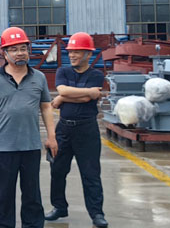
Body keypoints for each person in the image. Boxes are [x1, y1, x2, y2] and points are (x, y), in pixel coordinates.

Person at [0, 27, 58, 228]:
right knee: (3, 196)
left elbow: (46, 107)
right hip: (5, 147)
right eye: (14, 49)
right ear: (4, 53)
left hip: (31, 146)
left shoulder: (38, 77)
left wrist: (52, 136)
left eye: (23, 48)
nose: (20, 53)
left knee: (32, 195)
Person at [45, 32, 108, 228]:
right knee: (57, 170)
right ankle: (59, 207)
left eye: (77, 52)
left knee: (90, 173)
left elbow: (85, 98)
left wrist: (63, 98)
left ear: (88, 54)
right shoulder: (63, 71)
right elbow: (65, 91)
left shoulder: (96, 75)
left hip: (87, 130)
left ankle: (97, 213)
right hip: (64, 129)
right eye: (70, 52)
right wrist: (79, 93)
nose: (72, 55)